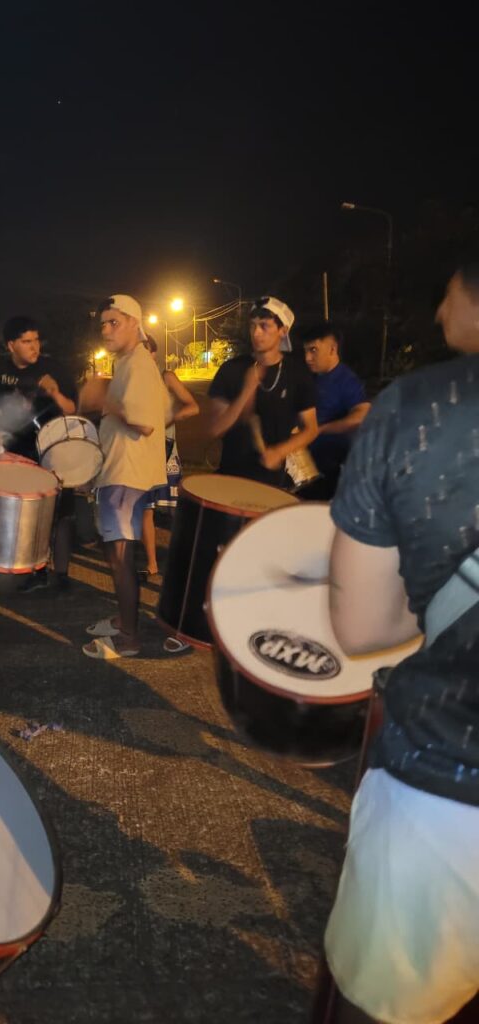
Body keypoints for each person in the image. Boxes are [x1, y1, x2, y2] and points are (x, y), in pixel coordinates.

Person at [322, 256, 479, 1023]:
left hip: (443, 794)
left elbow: (361, 628)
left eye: (448, 293)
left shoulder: (422, 406)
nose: (440, 311)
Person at [81, 295, 168, 658]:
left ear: (134, 322)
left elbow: (143, 422)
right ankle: (123, 620)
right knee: (115, 555)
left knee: (120, 558)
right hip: (120, 471)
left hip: (126, 476)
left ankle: (129, 637)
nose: (106, 329)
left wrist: (103, 399)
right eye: (103, 323)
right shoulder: (128, 362)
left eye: (114, 322)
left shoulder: (138, 364)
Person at [0, 316, 78, 592]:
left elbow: (72, 409)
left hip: (53, 450)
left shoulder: (53, 369)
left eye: (36, 340)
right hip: (16, 453)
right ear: (11, 345)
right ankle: (29, 569)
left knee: (61, 513)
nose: (34, 347)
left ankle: (62, 574)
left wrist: (54, 392)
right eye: (26, 342)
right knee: (24, 515)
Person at [208, 296, 318, 487]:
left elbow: (310, 429)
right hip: (231, 478)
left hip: (272, 483)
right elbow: (215, 429)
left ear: (283, 330)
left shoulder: (297, 374)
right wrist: (246, 392)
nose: (256, 332)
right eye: (253, 325)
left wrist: (280, 451)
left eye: (264, 326)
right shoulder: (231, 370)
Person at [139, 335, 199, 582]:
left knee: (174, 509)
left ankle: (185, 559)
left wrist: (169, 420)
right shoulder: (132, 380)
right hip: (141, 450)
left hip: (165, 449)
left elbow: (192, 406)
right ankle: (152, 564)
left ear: (154, 354)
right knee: (146, 509)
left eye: (145, 350)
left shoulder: (166, 377)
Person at [300, 321, 370, 498]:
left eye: (313, 350)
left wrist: (319, 429)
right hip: (304, 468)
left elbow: (362, 415)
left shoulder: (346, 380)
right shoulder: (310, 378)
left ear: (332, 349)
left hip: (331, 471)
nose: (307, 358)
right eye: (305, 351)